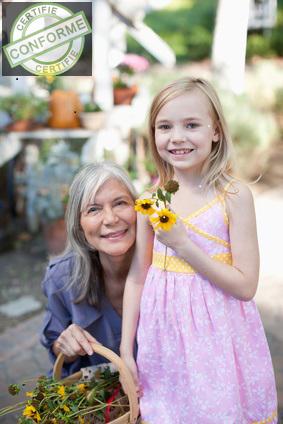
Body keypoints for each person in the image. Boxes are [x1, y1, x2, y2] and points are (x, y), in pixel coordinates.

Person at [120, 77, 278, 423]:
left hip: (217, 341)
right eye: (165, 126)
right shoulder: (152, 200)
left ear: (216, 131)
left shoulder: (233, 197)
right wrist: (125, 349)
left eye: (191, 125)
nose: (177, 137)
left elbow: (246, 285)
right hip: (164, 344)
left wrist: (183, 245)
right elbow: (137, 278)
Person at [40, 162, 137, 377]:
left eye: (120, 203)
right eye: (94, 209)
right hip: (97, 397)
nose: (111, 219)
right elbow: (56, 351)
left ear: (139, 209)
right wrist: (65, 345)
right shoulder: (63, 278)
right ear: (80, 227)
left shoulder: (169, 269)